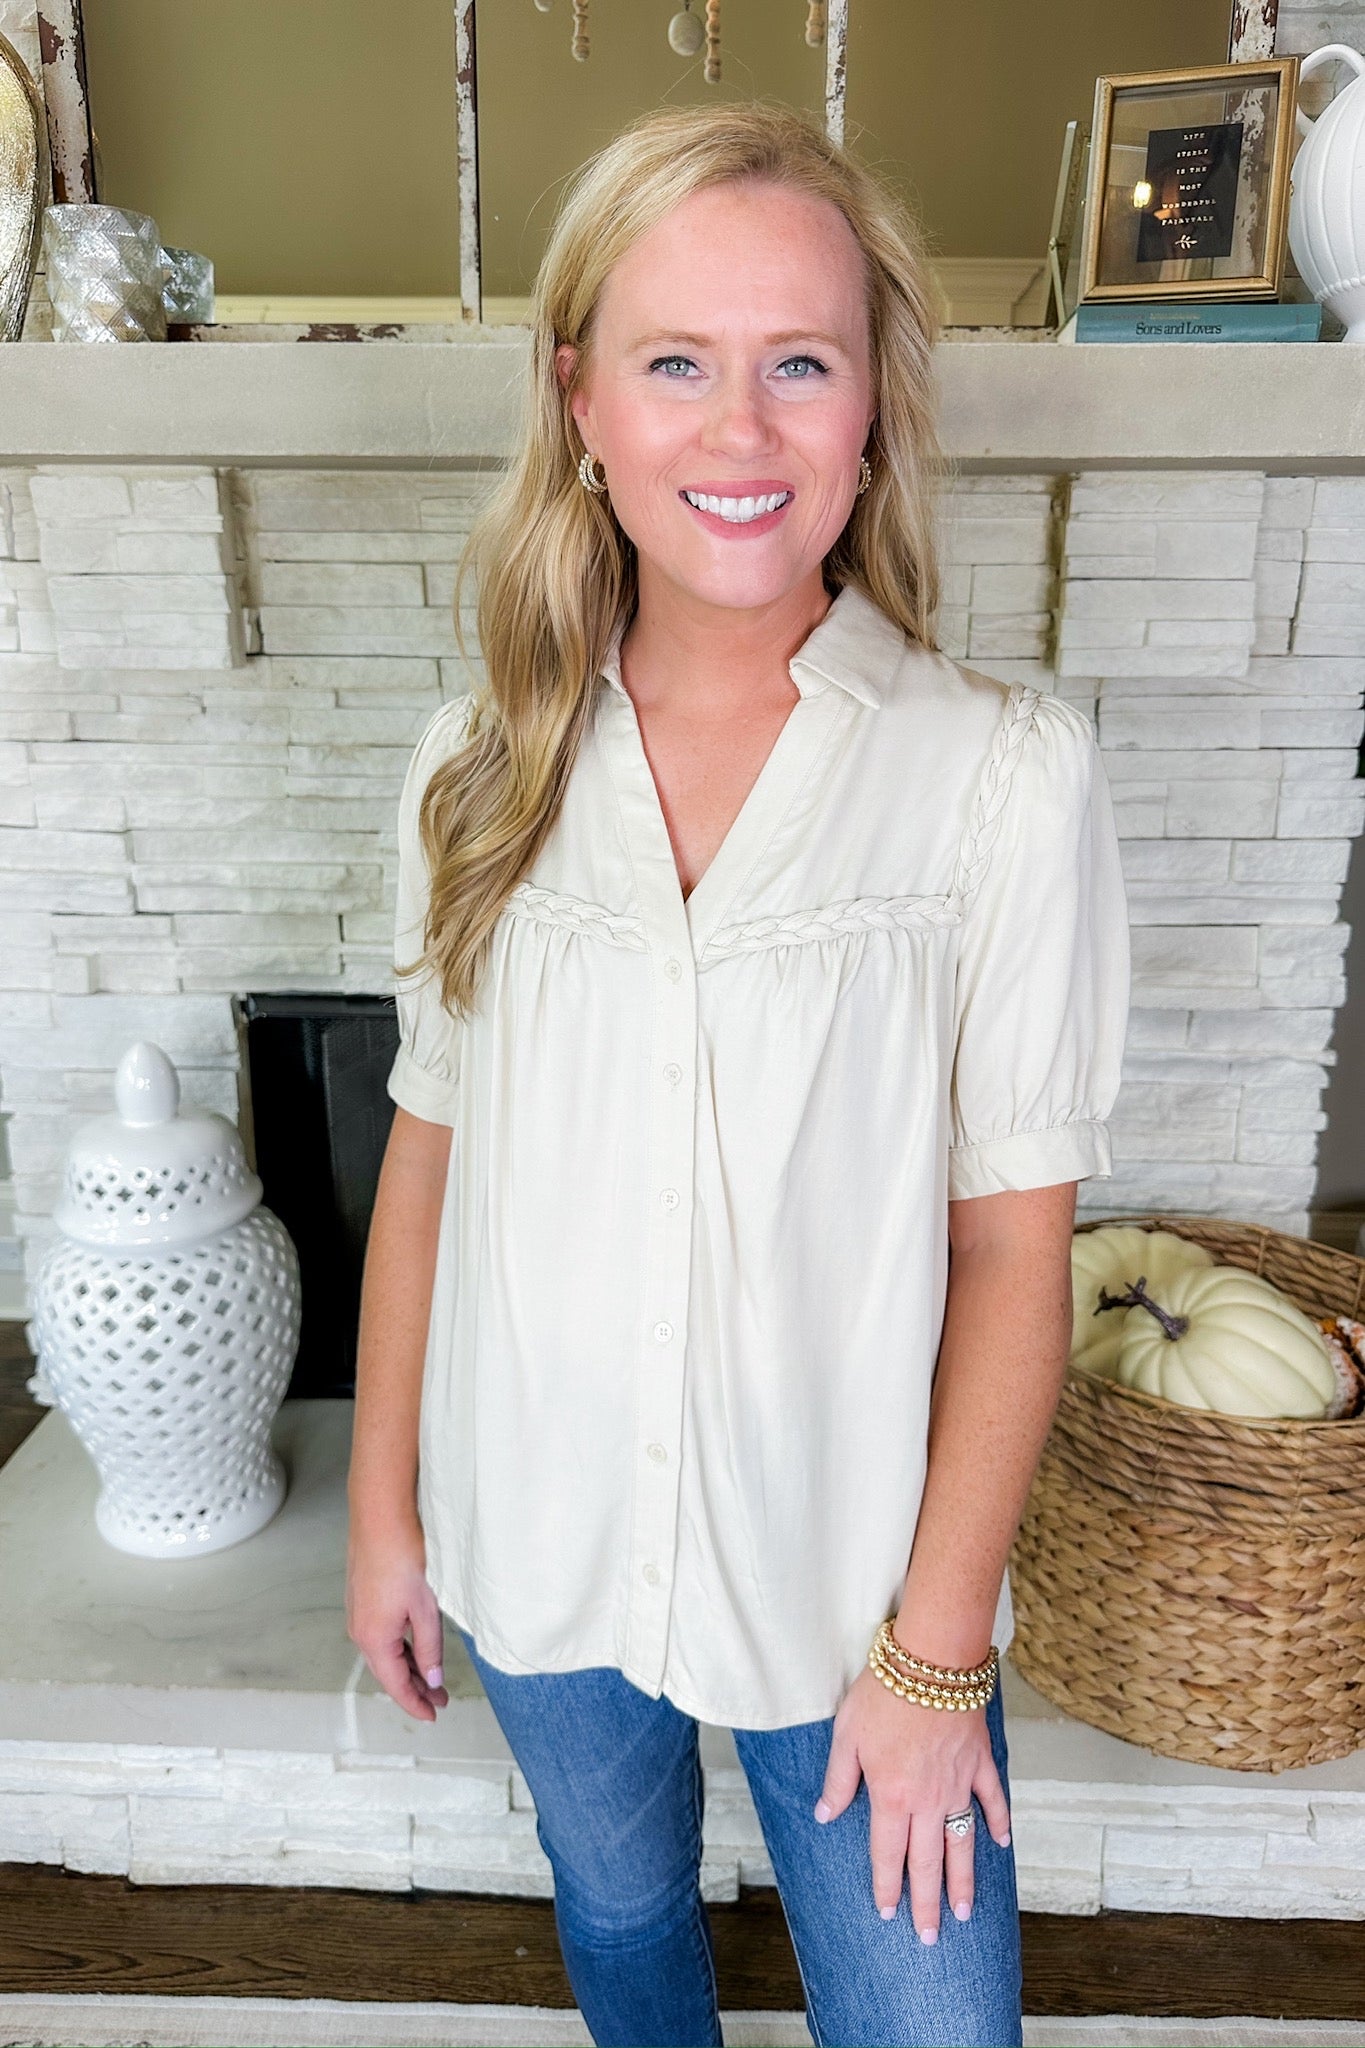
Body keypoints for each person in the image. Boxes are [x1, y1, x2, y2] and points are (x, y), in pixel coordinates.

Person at [346, 99, 1130, 2048]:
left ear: (870, 405)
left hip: (855, 1582)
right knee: (620, 1923)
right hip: (533, 1533)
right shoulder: (474, 772)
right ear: (581, 405)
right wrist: (384, 1507)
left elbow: (1015, 1256)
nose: (737, 426)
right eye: (673, 363)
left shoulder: (998, 777)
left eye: (798, 362)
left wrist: (937, 1655)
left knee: (931, 2027)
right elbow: (425, 1160)